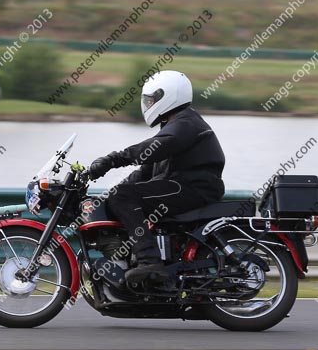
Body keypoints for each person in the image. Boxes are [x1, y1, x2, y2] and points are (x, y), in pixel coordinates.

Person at [86, 70, 226, 283]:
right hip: (180, 186)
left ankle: (149, 261)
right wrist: (107, 197)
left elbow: (154, 147)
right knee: (119, 196)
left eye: (152, 99)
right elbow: (144, 172)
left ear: (169, 95)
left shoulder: (186, 123)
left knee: (122, 197)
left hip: (194, 187)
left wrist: (112, 160)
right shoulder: (173, 126)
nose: (148, 104)